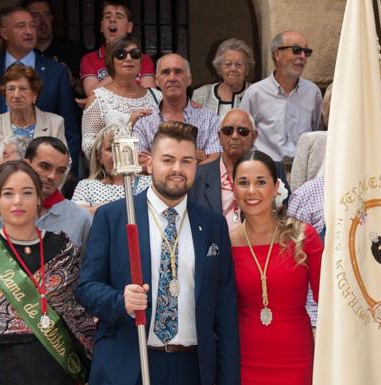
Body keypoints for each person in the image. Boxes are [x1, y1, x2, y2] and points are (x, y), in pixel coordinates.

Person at [76, 121, 240, 385]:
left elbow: (225, 309)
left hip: (192, 367)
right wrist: (120, 301)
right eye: (168, 160)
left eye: (187, 161)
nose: (177, 169)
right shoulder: (114, 216)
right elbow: (86, 287)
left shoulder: (213, 225)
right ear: (149, 164)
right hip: (130, 364)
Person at [0, 160, 94, 384]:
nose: (17, 201)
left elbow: (79, 318)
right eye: (8, 193)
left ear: (39, 199)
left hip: (58, 366)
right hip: (1, 369)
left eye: (27, 193)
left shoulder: (65, 251)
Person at [229, 150, 322, 384]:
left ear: (276, 186)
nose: (252, 191)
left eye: (261, 182)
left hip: (297, 360)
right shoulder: (225, 243)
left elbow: (331, 300)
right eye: (243, 182)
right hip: (243, 362)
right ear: (233, 188)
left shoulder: (303, 236)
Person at [0, 7, 80, 172]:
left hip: (47, 174)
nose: (29, 31)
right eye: (21, 26)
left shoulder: (56, 71)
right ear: (4, 33)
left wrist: (68, 172)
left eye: (32, 25)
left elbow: (70, 128)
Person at [0, 137, 91, 251]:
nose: (52, 176)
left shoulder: (80, 218)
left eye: (60, 171)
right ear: (26, 164)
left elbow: (88, 266)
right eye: (45, 166)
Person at [0, 65, 66, 193]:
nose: (16, 95)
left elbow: (64, 165)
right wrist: (6, 191)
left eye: (23, 89)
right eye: (10, 89)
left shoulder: (55, 123)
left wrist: (39, 193)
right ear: (4, 95)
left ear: (34, 94)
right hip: (1, 198)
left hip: (45, 197)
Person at [190, 108, 287, 231]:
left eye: (243, 131)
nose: (235, 136)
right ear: (219, 137)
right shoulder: (198, 175)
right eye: (228, 131)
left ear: (254, 136)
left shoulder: (273, 170)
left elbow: (284, 218)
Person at [239, 30, 322, 162]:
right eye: (296, 50)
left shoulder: (313, 93)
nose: (302, 56)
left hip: (303, 170)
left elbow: (318, 133)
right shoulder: (255, 93)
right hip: (266, 170)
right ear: (277, 54)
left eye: (306, 52)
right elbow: (241, 135)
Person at [133, 53, 222, 163]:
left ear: (189, 79)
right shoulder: (143, 122)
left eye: (178, 72)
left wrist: (157, 158)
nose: (172, 78)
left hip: (199, 180)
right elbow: (141, 163)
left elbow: (214, 159)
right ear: (157, 81)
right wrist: (193, 154)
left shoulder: (210, 118)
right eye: (165, 72)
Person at [81, 36, 161, 158]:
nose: (129, 58)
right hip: (116, 174)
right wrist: (127, 128)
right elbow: (89, 149)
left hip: (155, 173)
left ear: (141, 62)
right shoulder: (98, 99)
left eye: (135, 54)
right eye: (121, 55)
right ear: (111, 62)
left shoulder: (157, 96)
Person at [79, 0, 155, 97]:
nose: (112, 20)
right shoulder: (89, 59)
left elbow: (149, 97)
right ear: (102, 26)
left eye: (119, 17)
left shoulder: (143, 59)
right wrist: (122, 74)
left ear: (129, 27)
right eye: (107, 16)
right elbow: (92, 96)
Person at [72, 125, 150, 215]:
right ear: (99, 157)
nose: (118, 154)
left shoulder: (149, 182)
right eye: (110, 149)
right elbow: (76, 216)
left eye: (122, 147)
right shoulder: (87, 186)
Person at [23, 0, 86, 84]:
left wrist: (72, 81)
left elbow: (92, 92)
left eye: (47, 15)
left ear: (52, 18)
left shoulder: (75, 50)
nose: (43, 21)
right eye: (36, 15)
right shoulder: (21, 52)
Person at [192, 38, 255, 119]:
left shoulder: (255, 93)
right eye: (228, 64)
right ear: (219, 68)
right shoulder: (201, 94)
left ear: (247, 69)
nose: (233, 69)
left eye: (239, 64)